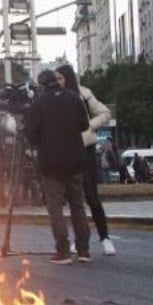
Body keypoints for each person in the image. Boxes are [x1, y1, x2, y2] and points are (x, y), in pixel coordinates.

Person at [25, 70, 91, 264]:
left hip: (51, 165)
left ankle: (63, 251)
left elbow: (31, 135)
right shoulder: (74, 98)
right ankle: (83, 250)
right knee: (78, 206)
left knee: (55, 208)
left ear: (41, 85)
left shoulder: (38, 104)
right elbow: (84, 125)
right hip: (75, 161)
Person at [55, 64, 118, 256]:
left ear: (68, 78)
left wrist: (88, 126)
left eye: (60, 78)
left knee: (91, 196)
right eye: (56, 79)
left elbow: (105, 113)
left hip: (86, 149)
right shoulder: (55, 98)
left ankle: (105, 237)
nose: (58, 82)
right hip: (67, 151)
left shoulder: (84, 94)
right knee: (75, 199)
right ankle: (81, 240)